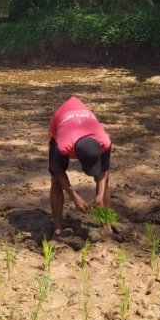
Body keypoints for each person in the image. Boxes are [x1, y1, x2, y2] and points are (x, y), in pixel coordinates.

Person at [48, 96, 112, 234]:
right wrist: (74, 196)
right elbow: (57, 171)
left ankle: (106, 223)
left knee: (105, 181)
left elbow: (104, 171)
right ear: (75, 155)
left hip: (83, 124)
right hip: (63, 124)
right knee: (55, 179)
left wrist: (100, 195)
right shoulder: (62, 145)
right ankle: (58, 227)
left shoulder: (104, 142)